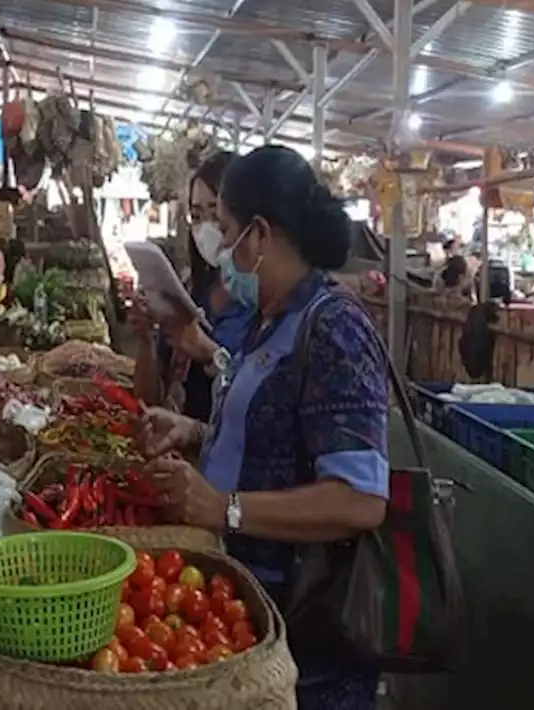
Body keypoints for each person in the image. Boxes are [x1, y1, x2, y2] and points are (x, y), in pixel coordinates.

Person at [136, 145, 389, 710]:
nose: (220, 249)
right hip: (246, 609)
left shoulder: (334, 331)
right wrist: (193, 431)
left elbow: (361, 499)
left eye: (224, 231)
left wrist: (226, 507)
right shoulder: (269, 321)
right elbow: (271, 436)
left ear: (260, 234)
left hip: (309, 634)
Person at [130, 151, 251, 419]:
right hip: (182, 449)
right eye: (197, 216)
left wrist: (209, 352)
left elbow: (264, 406)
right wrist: (146, 338)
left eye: (216, 215)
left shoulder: (264, 299)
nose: (207, 229)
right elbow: (149, 400)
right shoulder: (190, 290)